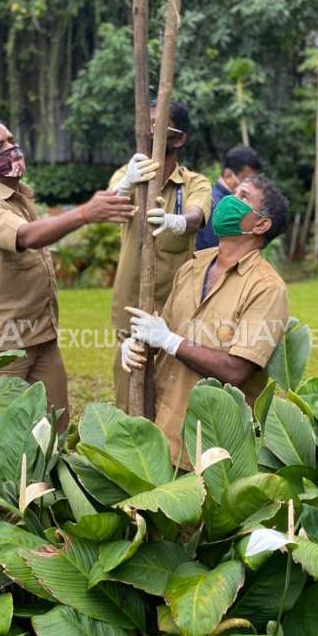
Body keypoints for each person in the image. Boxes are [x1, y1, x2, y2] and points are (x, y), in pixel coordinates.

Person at [0, 118, 135, 424]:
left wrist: (125, 185)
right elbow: (28, 236)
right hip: (3, 343)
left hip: (42, 336)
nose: (12, 150)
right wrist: (84, 213)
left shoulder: (20, 197)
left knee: (56, 423)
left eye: (11, 141)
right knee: (2, 436)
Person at [121, 174, 290, 463]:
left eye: (243, 197)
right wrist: (141, 343)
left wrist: (171, 341)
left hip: (211, 446)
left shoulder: (267, 288)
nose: (228, 201)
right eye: (233, 192)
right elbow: (164, 332)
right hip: (161, 426)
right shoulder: (192, 267)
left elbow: (236, 370)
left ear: (261, 224)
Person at [109, 101, 213, 411]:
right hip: (131, 305)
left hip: (176, 311)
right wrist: (127, 183)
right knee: (130, 401)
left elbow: (196, 214)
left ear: (178, 139)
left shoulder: (195, 182)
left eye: (156, 124)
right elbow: (109, 209)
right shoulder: (126, 175)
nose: (147, 130)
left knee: (173, 401)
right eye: (144, 123)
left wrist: (176, 221)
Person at [195, 143, 264, 251]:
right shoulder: (217, 204)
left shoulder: (219, 199)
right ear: (228, 175)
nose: (250, 185)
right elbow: (213, 249)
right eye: (247, 179)